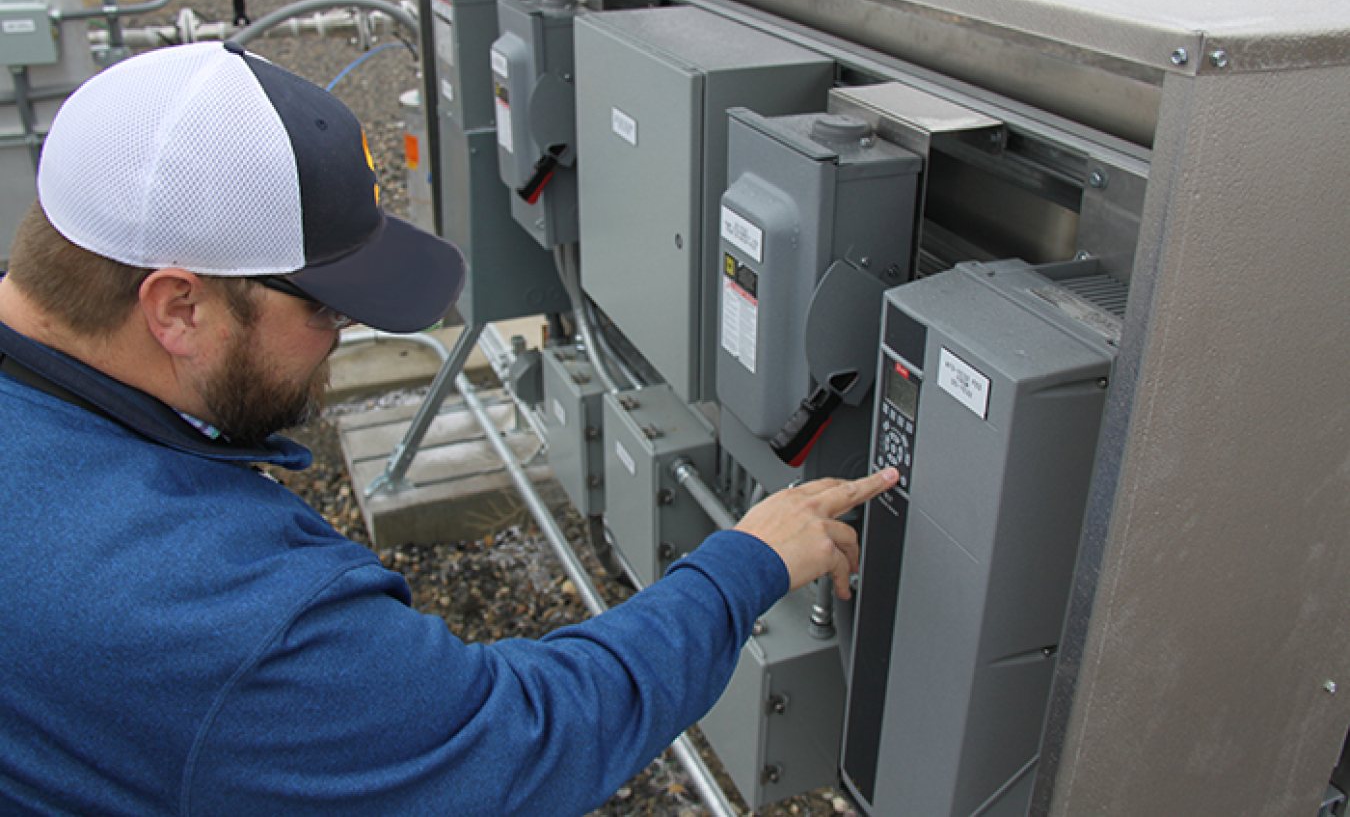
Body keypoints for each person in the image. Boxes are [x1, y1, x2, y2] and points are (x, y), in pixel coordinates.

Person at [0, 41, 897, 816]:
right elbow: (519, 740)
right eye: (327, 312)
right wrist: (747, 562)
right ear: (179, 308)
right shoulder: (217, 614)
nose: (338, 344)